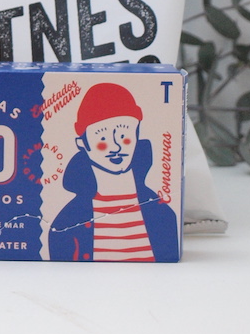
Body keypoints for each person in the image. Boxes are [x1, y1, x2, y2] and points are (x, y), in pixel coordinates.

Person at [48, 82, 178, 262]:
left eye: (124, 136)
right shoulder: (66, 224)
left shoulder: (162, 214)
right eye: (102, 138)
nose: (116, 147)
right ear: (82, 143)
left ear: (137, 137)